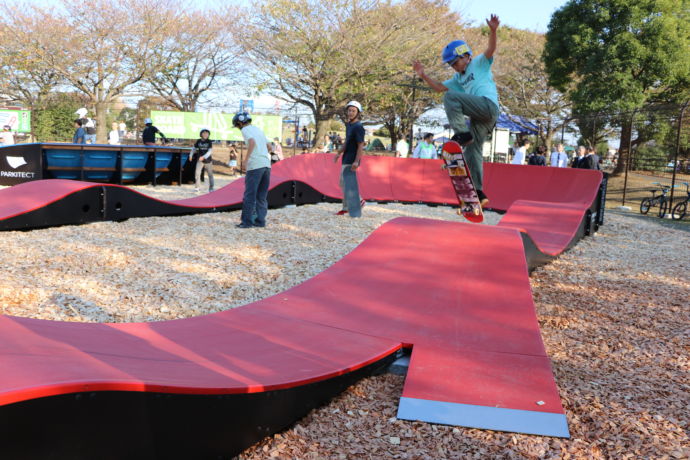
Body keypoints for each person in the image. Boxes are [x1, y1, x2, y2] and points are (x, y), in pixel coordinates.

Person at [413, 14, 501, 208]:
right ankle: (478, 193)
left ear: (466, 56)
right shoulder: (458, 79)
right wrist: (423, 75)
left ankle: (462, 134)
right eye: (451, 64)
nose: (453, 67)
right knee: (473, 151)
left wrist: (493, 31)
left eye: (455, 62)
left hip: (488, 106)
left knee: (451, 98)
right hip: (481, 117)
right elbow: (439, 88)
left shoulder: (478, 63)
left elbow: (491, 49)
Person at [233, 112, 272, 228]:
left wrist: (245, 160)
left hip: (255, 166)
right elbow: (270, 147)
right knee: (262, 195)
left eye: (237, 125)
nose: (238, 127)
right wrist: (262, 154)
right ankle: (260, 221)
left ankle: (247, 222)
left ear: (240, 122)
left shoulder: (245, 130)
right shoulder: (258, 130)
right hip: (266, 165)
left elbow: (252, 142)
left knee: (250, 195)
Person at [333, 101, 366, 218]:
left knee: (345, 182)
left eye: (353, 111)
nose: (351, 112)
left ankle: (359, 201)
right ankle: (346, 208)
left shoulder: (358, 127)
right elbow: (347, 142)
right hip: (346, 157)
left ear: (358, 113)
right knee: (344, 183)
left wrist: (357, 161)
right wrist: (339, 153)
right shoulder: (349, 125)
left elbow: (361, 145)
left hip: (352, 159)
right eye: (349, 110)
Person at [189, 128, 215, 193]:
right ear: (201, 134)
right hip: (200, 160)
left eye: (207, 133)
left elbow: (210, 151)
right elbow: (194, 148)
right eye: (204, 133)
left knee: (210, 175)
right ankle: (197, 188)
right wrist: (191, 155)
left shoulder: (209, 141)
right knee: (197, 173)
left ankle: (211, 188)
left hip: (208, 161)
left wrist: (203, 157)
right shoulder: (198, 141)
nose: (206, 134)